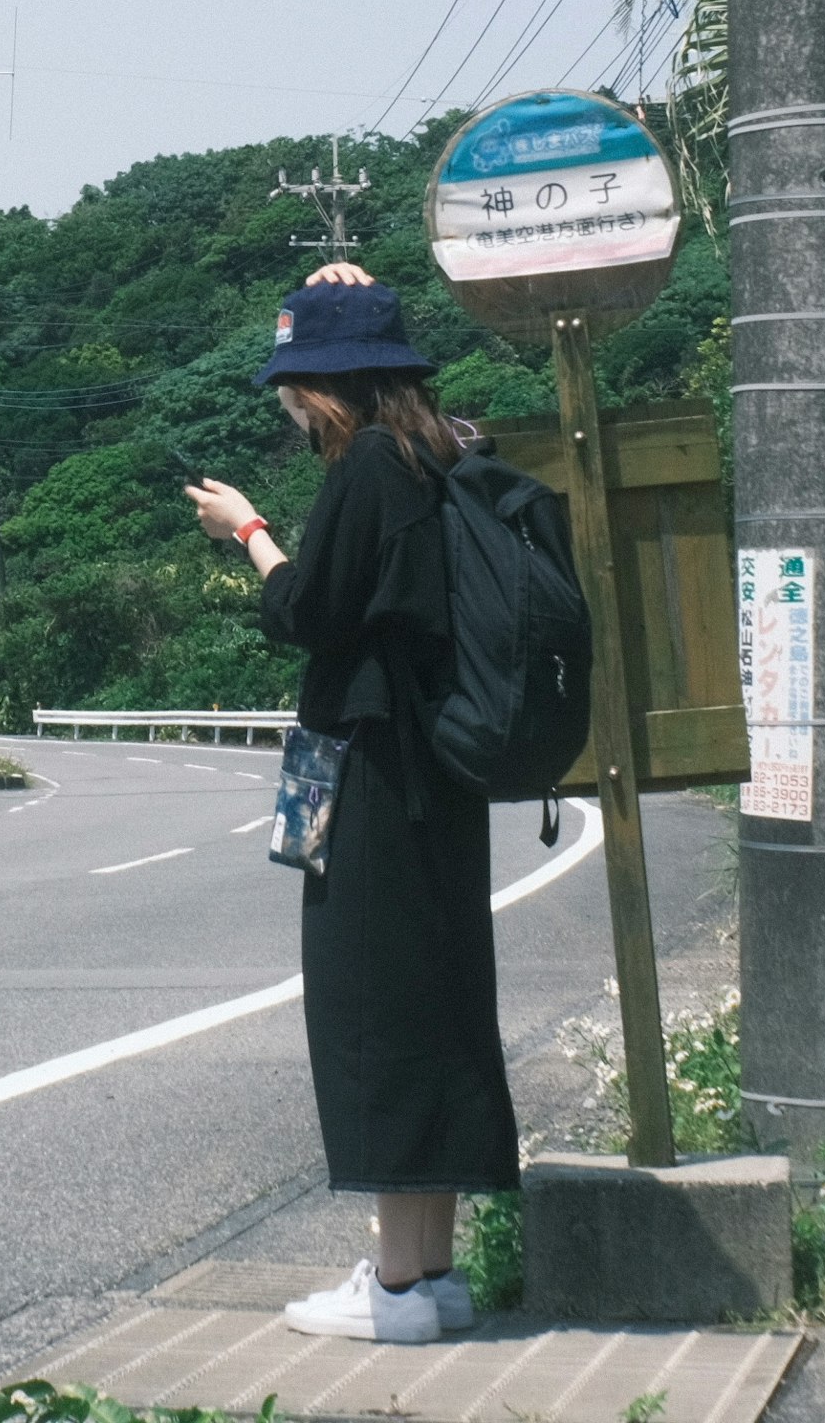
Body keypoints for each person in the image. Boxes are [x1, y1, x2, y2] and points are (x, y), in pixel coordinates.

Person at [183, 262, 521, 1344]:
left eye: (294, 389)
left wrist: (249, 529)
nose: (289, 407)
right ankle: (428, 1273)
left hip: (374, 768)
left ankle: (393, 1290)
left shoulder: (370, 463)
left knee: (372, 1012)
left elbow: (310, 610)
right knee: (435, 1006)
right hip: (437, 769)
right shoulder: (439, 446)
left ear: (329, 384)